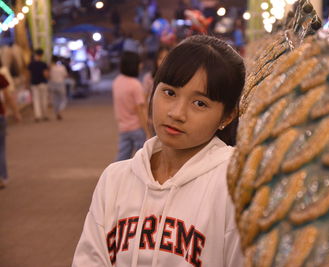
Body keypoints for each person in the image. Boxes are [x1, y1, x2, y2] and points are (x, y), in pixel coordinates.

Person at [72, 35, 245, 266]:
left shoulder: (235, 185)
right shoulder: (114, 179)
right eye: (170, 93)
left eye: (200, 103)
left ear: (228, 116)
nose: (177, 113)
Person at [112, 51, 152, 161]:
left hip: (123, 127)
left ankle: (115, 177)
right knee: (142, 158)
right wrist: (147, 131)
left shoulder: (117, 81)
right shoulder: (135, 85)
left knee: (122, 158)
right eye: (139, 63)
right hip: (137, 128)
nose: (141, 66)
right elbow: (140, 109)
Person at [0, 73, 21, 189]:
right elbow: (7, 96)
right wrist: (15, 112)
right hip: (0, 116)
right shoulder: (1, 77)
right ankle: (1, 177)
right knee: (1, 148)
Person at [27, 48, 49, 122]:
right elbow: (45, 74)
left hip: (34, 83)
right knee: (44, 99)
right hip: (42, 83)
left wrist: (27, 83)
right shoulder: (43, 64)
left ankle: (37, 115)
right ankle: (45, 114)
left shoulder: (31, 64)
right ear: (42, 55)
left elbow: (28, 74)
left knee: (36, 100)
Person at [49, 55, 68, 120]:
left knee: (55, 100)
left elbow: (48, 76)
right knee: (63, 99)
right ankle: (60, 110)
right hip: (60, 84)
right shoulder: (62, 68)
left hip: (53, 85)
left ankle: (56, 113)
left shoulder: (51, 68)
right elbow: (65, 75)